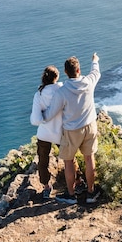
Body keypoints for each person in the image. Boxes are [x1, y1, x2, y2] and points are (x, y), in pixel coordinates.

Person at [42, 52, 101, 205]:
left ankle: (71, 195)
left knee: (68, 161)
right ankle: (90, 192)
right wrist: (94, 60)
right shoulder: (89, 82)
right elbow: (96, 72)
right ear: (79, 70)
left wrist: (39, 112)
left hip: (72, 130)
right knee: (89, 159)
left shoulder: (62, 92)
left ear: (66, 73)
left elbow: (50, 114)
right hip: (90, 126)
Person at [30, 65, 63, 200]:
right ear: (56, 77)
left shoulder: (39, 94)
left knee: (43, 162)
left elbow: (35, 120)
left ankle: (46, 187)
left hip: (44, 133)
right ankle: (77, 181)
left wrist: (45, 116)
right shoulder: (62, 90)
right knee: (69, 158)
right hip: (60, 132)